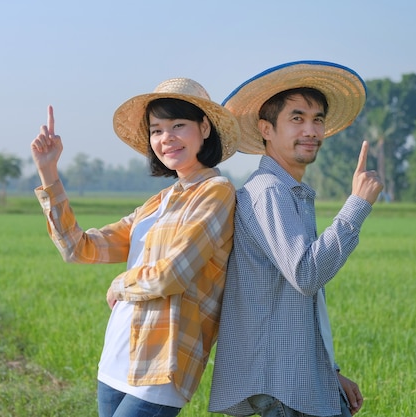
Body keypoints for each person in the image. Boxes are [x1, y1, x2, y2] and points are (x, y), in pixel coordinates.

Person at [30, 78, 241, 417]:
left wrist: (120, 283)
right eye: (156, 130)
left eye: (178, 125)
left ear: (204, 127)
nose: (165, 138)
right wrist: (48, 171)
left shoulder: (216, 192)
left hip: (160, 362)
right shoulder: (157, 202)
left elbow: (173, 274)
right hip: (117, 356)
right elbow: (78, 248)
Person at [209, 61, 384, 417]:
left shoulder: (292, 193)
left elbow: (293, 301)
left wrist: (329, 371)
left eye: (318, 119)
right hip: (281, 387)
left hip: (294, 379)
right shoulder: (268, 192)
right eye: (297, 118)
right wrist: (357, 205)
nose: (311, 130)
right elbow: (306, 274)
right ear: (266, 129)